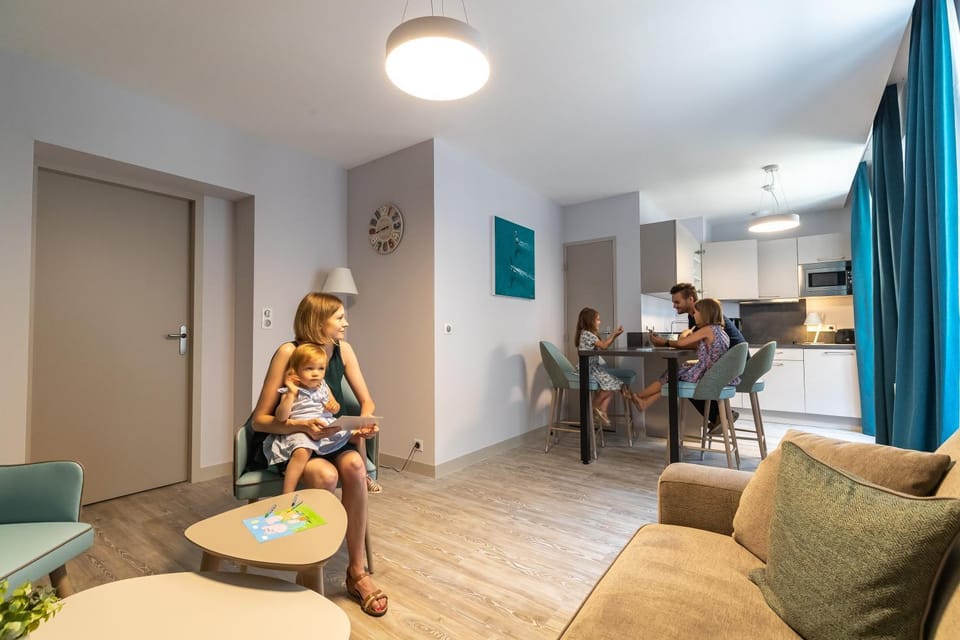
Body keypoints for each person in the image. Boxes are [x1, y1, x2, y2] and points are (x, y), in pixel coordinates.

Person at [252, 292, 387, 617]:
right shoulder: (289, 352)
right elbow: (260, 420)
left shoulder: (344, 350)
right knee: (324, 475)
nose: (346, 322)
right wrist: (303, 425)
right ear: (318, 320)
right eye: (339, 317)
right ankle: (307, 569)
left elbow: (365, 401)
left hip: (332, 437)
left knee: (355, 465)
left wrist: (365, 422)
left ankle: (357, 572)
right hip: (296, 440)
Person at [264, 343, 375, 495]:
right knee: (303, 451)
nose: (316, 373)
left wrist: (332, 406)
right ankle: (287, 493)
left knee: (357, 436)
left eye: (320, 369)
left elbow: (335, 406)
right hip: (300, 429)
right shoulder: (293, 390)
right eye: (309, 368)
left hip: (324, 425)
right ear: (295, 371)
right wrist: (290, 394)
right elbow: (281, 417)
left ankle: (365, 477)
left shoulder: (323, 386)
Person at [649, 283, 746, 428]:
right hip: (733, 367)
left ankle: (719, 416)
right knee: (693, 375)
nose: (674, 306)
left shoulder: (705, 319)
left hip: (732, 370)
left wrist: (665, 342)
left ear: (691, 300)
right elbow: (699, 344)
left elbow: (692, 343)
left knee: (685, 380)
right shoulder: (708, 316)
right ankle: (721, 416)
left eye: (677, 302)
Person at [633, 298, 734, 411]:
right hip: (718, 373)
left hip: (708, 376)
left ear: (704, 314)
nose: (694, 315)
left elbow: (681, 342)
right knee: (674, 377)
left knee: (671, 376)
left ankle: (640, 396)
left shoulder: (707, 329)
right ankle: (644, 402)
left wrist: (686, 333)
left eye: (695, 313)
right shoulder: (722, 331)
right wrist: (695, 361)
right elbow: (713, 356)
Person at [575, 307, 642, 425]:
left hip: (593, 367)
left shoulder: (589, 334)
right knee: (611, 386)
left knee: (614, 384)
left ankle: (602, 411)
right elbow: (604, 346)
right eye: (597, 320)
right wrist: (614, 335)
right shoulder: (587, 334)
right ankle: (595, 406)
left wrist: (614, 335)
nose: (599, 322)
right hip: (588, 369)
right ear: (590, 321)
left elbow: (602, 345)